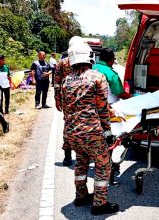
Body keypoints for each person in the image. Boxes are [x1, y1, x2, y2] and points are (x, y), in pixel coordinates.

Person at [62, 41, 119, 215]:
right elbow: (102, 108)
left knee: (81, 162)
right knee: (103, 165)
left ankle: (81, 196)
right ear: (89, 57)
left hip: (72, 132)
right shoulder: (96, 77)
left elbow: (66, 107)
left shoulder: (67, 80)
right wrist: (108, 132)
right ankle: (99, 204)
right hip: (91, 132)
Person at [54, 36, 84, 166]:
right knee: (78, 126)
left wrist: (57, 98)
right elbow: (57, 82)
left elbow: (57, 83)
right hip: (78, 100)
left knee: (70, 126)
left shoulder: (65, 62)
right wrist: (57, 98)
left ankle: (72, 155)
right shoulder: (83, 63)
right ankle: (70, 154)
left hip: (73, 101)